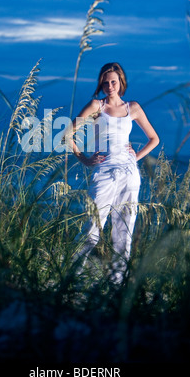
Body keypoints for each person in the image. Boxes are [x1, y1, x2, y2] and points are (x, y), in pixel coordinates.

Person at [68, 62, 159, 284]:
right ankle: (71, 279)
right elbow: (68, 134)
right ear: (101, 83)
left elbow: (154, 139)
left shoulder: (133, 108)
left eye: (114, 82)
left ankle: (117, 282)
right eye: (106, 82)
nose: (110, 86)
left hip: (129, 173)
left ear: (121, 83)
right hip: (104, 173)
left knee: (124, 229)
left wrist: (135, 157)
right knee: (92, 228)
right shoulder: (96, 106)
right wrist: (84, 158)